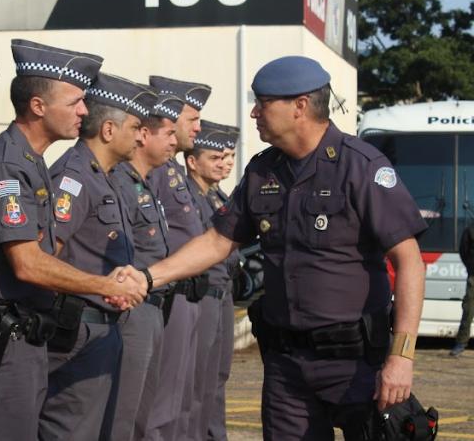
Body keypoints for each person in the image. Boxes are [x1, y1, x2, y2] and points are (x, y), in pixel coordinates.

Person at [137, 56, 428, 440]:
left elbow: (409, 262)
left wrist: (402, 356)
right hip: (286, 367)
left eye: (264, 102)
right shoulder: (262, 171)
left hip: (356, 365)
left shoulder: (361, 166)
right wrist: (147, 277)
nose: (254, 111)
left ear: (300, 106)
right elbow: (218, 241)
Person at [0, 40, 147, 441]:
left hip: (30, 335)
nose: (85, 111)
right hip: (6, 337)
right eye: (75, 101)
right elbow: (28, 262)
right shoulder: (7, 166)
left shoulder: (32, 163)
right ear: (38, 106)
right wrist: (104, 285)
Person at [38, 73, 156, 440]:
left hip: (104, 324)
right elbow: (45, 256)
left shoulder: (105, 178)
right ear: (108, 130)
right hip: (78, 329)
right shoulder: (72, 179)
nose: (141, 136)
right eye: (136, 127)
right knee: (71, 429)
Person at [106, 94, 184, 441]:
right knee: (122, 415)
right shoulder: (120, 181)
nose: (175, 141)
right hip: (130, 308)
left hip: (153, 306)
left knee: (142, 414)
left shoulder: (145, 183)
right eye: (167, 133)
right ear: (144, 136)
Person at [143, 75, 212, 441]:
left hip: (187, 294)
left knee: (185, 399)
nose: (198, 127)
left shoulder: (173, 173)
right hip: (166, 292)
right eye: (192, 118)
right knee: (161, 405)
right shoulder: (154, 172)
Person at [183, 121, 240, 441]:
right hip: (199, 296)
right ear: (193, 161)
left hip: (222, 294)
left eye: (230, 156)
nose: (226, 163)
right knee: (195, 380)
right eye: (217, 158)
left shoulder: (220, 196)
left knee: (216, 378)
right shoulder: (185, 196)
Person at [450, 223, 474, 356]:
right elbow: (463, 251)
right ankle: (461, 343)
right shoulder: (470, 229)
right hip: (473, 277)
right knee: (468, 310)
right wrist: (470, 267)